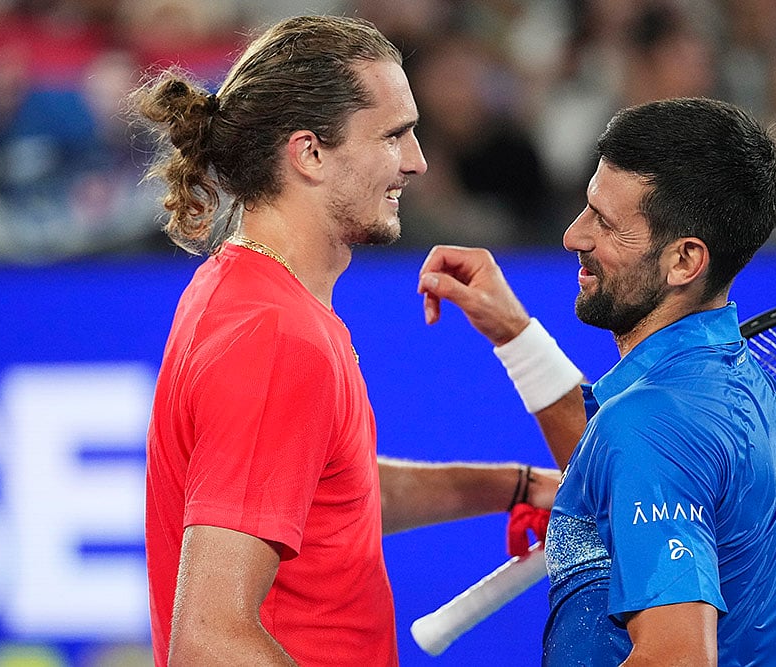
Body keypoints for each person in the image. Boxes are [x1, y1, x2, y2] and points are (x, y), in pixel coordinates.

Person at [131, 15, 558, 667]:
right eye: (394, 136)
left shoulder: (243, 293)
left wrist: (516, 484)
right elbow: (210, 642)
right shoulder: (275, 336)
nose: (416, 161)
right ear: (309, 154)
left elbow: (332, 493)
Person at [418, 97, 776, 666]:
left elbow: (676, 660)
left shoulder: (650, 425)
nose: (573, 235)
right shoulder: (739, 389)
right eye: (587, 208)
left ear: (683, 261)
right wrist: (514, 334)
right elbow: (607, 458)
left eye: (604, 222)